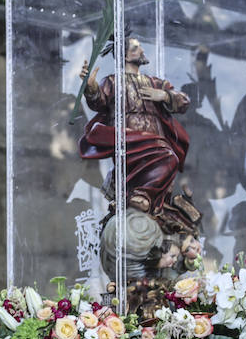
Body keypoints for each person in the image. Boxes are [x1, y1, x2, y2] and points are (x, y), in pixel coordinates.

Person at [80, 37, 192, 232]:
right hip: (128, 140)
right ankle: (137, 197)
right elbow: (99, 101)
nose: (141, 50)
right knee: (168, 157)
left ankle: (140, 200)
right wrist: (91, 88)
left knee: (167, 163)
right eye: (136, 48)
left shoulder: (156, 83)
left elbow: (184, 101)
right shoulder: (113, 81)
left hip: (155, 139)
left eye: (140, 47)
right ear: (124, 55)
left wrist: (165, 96)